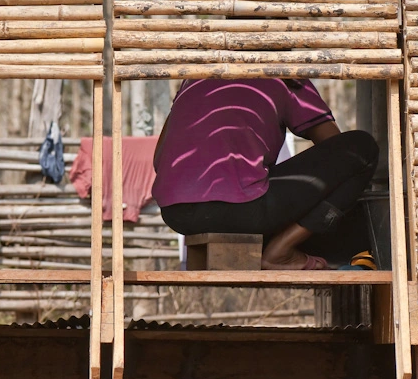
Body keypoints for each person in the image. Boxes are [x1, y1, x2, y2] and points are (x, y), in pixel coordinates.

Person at [152, 76, 379, 270]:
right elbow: (336, 149)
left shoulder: (195, 77)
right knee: (361, 148)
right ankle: (281, 250)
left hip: (176, 213)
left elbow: (158, 159)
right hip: (241, 209)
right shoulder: (285, 76)